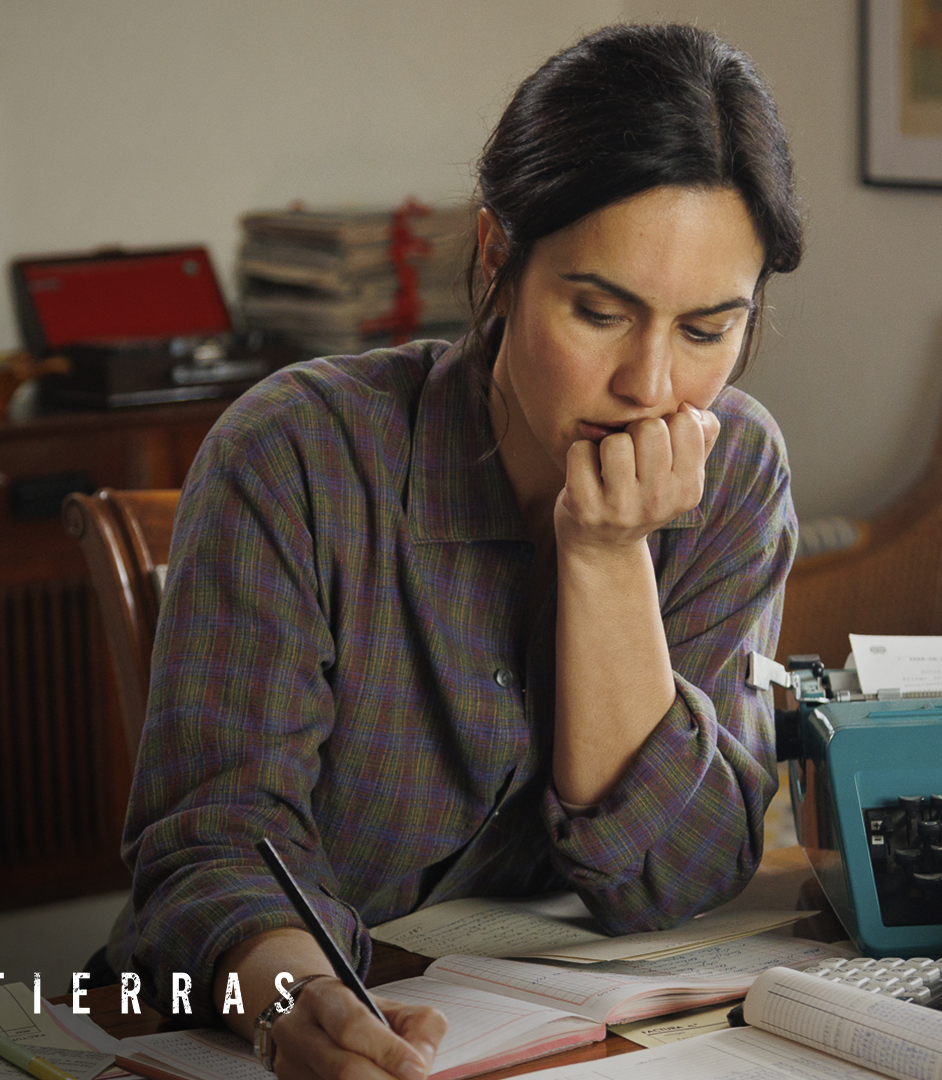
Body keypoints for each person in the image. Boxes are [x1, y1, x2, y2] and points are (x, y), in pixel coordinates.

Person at [109, 22, 804, 1080]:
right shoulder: (296, 453)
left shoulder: (736, 469)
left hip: (564, 1047)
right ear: (496, 256)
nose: (651, 385)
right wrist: (298, 999)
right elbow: (215, 843)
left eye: (707, 330)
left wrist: (608, 553)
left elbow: (678, 876)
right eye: (599, 312)